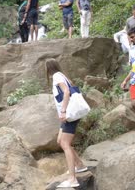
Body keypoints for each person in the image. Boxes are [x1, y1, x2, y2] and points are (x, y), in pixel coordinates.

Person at [45, 58, 87, 188]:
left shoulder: (57, 76)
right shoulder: (61, 75)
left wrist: (63, 111)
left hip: (69, 114)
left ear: (48, 68)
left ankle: (72, 178)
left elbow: (67, 92)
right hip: (67, 114)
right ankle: (79, 165)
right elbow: (69, 88)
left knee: (65, 143)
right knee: (60, 140)